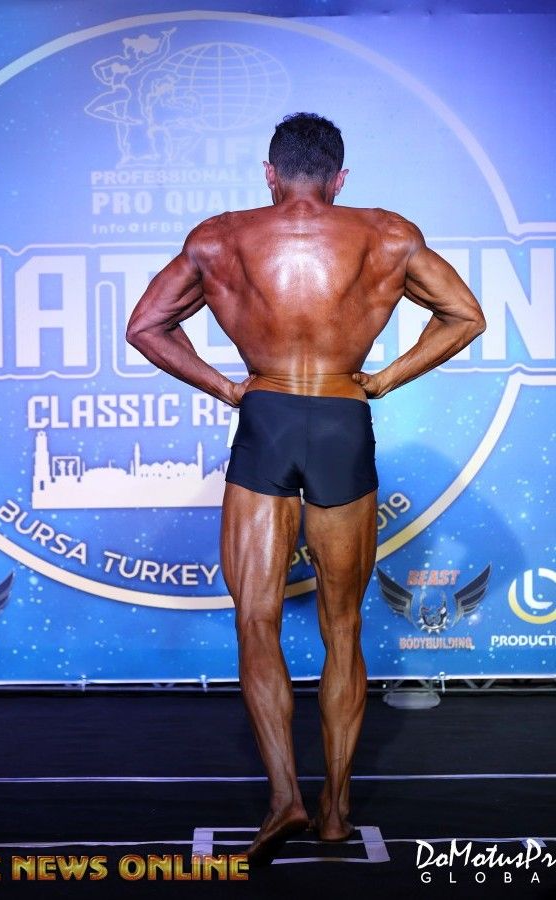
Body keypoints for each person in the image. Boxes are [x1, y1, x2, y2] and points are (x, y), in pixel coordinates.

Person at [126, 113, 486, 865]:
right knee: (343, 627)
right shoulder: (388, 234)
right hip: (341, 421)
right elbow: (464, 316)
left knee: (255, 620)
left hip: (266, 423)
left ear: (269, 172)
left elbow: (146, 326)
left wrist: (229, 388)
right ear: (339, 178)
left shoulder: (219, 238)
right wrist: (382, 378)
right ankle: (335, 812)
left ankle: (285, 797)